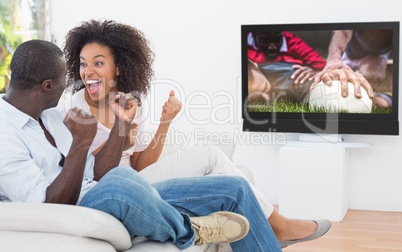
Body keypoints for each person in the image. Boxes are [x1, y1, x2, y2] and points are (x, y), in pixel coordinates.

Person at [60, 19, 332, 248]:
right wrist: (117, 138)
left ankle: (274, 224)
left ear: (118, 67)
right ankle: (277, 225)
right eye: (83, 64)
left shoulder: (130, 102)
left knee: (210, 156)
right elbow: (82, 171)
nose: (88, 72)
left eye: (98, 63)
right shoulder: (74, 109)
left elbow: (141, 165)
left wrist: (164, 123)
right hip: (116, 191)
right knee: (227, 182)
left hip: (138, 178)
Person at [0, 39, 286, 251]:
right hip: (78, 207)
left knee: (232, 187)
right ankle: (189, 230)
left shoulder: (48, 117)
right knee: (122, 179)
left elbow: (96, 173)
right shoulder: (5, 133)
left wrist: (121, 125)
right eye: (66, 80)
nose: (71, 85)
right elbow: (47, 205)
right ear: (47, 86)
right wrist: (79, 145)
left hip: (104, 191)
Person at [312, 29, 393, 107]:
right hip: (348, 50)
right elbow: (342, 31)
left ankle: (376, 99)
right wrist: (334, 59)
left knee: (374, 76)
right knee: (331, 76)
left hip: (376, 55)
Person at [247, 31, 326, 102]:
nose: (272, 47)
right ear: (254, 36)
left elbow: (321, 65)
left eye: (277, 40)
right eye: (265, 41)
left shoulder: (291, 41)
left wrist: (314, 72)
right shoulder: (244, 45)